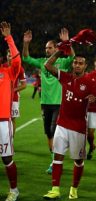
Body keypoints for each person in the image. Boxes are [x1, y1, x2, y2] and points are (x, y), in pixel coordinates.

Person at [42, 51, 96, 200]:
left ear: (85, 66)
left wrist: (95, 99)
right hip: (62, 124)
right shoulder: (66, 77)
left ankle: (74, 189)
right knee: (58, 156)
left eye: (80, 63)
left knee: (78, 161)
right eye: (75, 62)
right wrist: (59, 51)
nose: (77, 65)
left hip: (79, 128)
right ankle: (55, 189)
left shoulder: (90, 82)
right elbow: (47, 65)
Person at [22, 28, 75, 174]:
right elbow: (26, 58)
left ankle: (55, 162)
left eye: (50, 47)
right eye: (46, 48)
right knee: (49, 133)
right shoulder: (41, 62)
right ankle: (54, 158)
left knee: (54, 130)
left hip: (59, 102)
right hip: (45, 103)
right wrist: (26, 43)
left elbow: (72, 57)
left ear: (56, 48)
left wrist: (67, 42)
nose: (47, 50)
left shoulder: (63, 62)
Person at [0, 21, 21, 201]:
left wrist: (9, 38)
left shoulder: (8, 72)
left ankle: (14, 190)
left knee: (6, 158)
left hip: (2, 122)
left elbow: (17, 60)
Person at [11, 65, 26, 137]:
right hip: (2, 97)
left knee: (12, 119)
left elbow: (24, 85)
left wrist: (12, 90)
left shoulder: (19, 68)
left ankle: (11, 140)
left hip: (14, 98)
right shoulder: (3, 67)